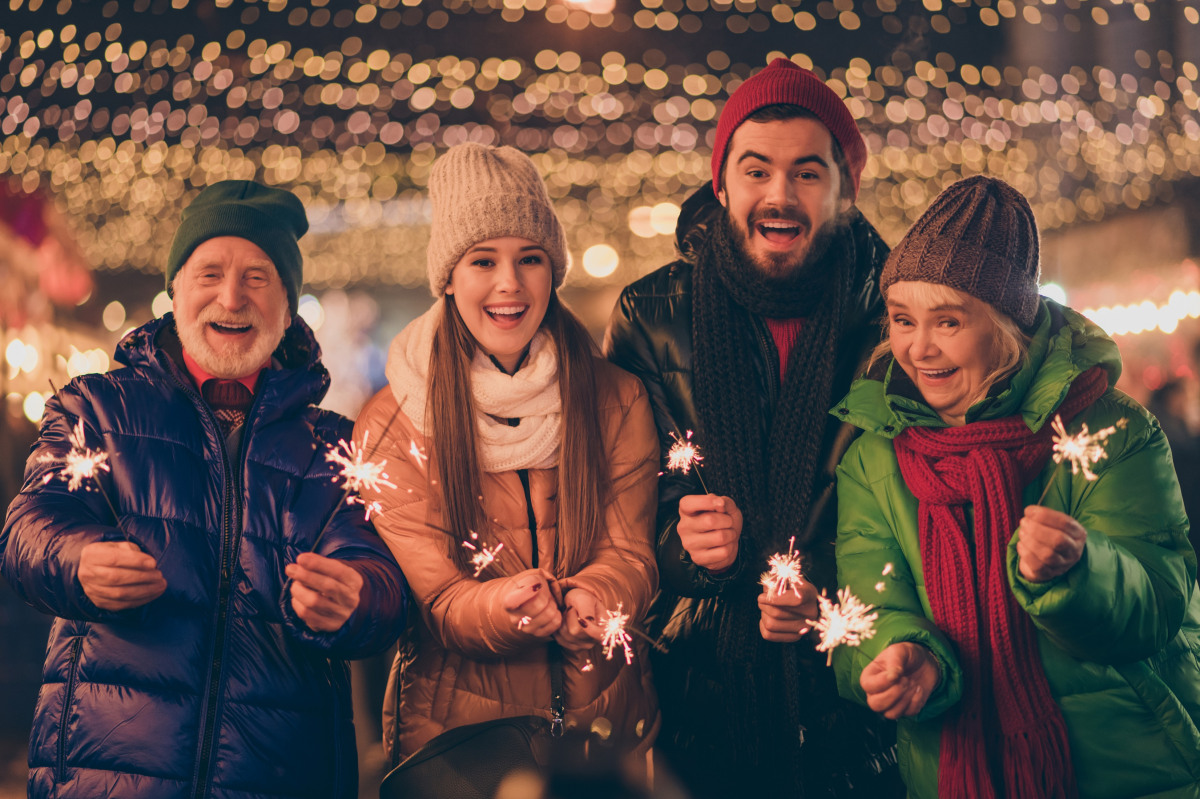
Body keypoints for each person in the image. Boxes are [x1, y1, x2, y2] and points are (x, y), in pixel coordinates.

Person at [1, 180, 408, 799]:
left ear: (288, 303)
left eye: (258, 277)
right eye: (209, 273)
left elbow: (382, 579)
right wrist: (78, 560)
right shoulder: (96, 410)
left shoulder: (335, 448)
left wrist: (357, 600)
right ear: (177, 291)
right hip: (105, 771)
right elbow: (29, 528)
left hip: (279, 775)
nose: (231, 298)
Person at [830, 175, 1200, 797]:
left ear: (1005, 323)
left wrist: (1078, 572)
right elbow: (861, 612)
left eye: (947, 321)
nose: (918, 349)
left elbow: (1160, 603)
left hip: (1128, 765)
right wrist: (897, 656)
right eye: (901, 320)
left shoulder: (1110, 429)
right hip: (958, 767)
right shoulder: (874, 458)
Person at [604, 58, 900, 797]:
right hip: (698, 697)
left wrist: (828, 600)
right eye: (756, 169)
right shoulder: (652, 314)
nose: (779, 194)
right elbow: (619, 506)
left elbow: (920, 514)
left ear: (844, 190)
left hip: (859, 700)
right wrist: (685, 542)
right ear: (721, 183)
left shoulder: (899, 323)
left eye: (807, 172)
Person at [355, 144, 660, 769]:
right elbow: (437, 599)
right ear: (449, 276)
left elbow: (630, 552)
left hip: (600, 725)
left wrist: (598, 597)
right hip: (460, 741)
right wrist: (503, 607)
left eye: (530, 259)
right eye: (482, 261)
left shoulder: (616, 398)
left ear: (554, 271)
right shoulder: (395, 419)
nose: (509, 285)